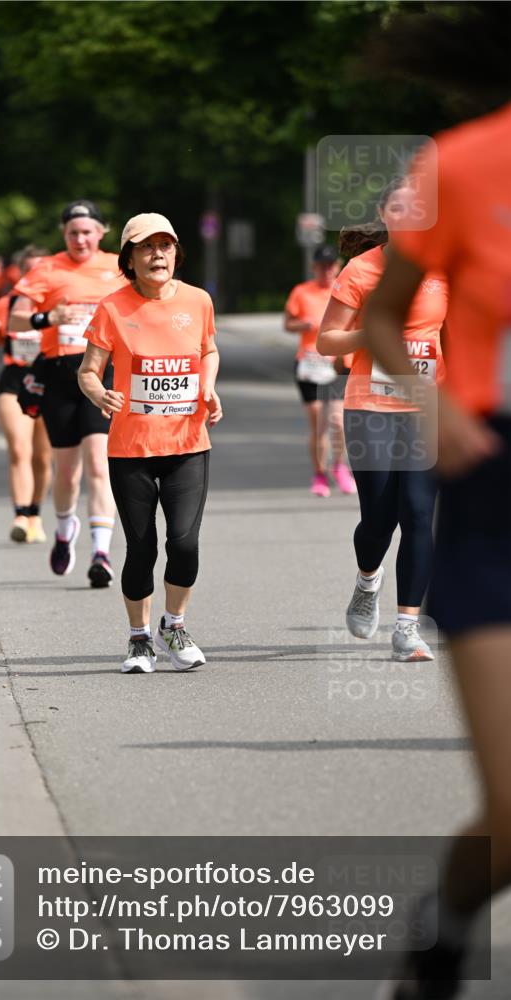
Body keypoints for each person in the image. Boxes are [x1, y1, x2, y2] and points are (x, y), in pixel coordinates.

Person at [363, 104, 511, 1000]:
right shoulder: (458, 166)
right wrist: (440, 408)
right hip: (497, 488)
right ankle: (444, 923)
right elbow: (384, 315)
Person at [79, 213, 222, 674]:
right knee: (141, 548)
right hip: (131, 448)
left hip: (187, 443)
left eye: (165, 245)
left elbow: (208, 350)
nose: (157, 254)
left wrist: (208, 387)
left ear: (177, 253)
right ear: (129, 257)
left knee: (184, 543)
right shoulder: (112, 307)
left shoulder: (198, 301)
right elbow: (86, 371)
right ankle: (138, 638)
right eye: (146, 247)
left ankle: (174, 624)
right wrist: (100, 392)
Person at [317, 179, 448, 661]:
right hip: (370, 407)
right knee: (379, 518)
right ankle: (367, 581)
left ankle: (407, 628)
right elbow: (327, 341)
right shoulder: (361, 269)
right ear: (385, 214)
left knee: (417, 513)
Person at [9, 200, 126, 586]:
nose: (80, 239)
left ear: (101, 232)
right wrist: (48, 317)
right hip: (60, 374)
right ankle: (64, 531)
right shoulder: (47, 269)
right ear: (64, 235)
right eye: (73, 233)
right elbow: (15, 317)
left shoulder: (117, 267)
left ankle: (101, 552)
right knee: (67, 473)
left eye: (87, 232)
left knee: (98, 464)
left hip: (103, 374)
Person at [284, 244, 356, 497]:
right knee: (318, 423)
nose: (326, 271)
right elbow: (288, 324)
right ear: (314, 267)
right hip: (310, 364)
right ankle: (319, 474)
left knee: (337, 420)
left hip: (337, 364)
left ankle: (339, 466)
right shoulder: (302, 292)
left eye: (331, 266)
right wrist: (304, 324)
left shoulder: (346, 288)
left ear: (337, 267)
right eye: (321, 266)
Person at [0, 245, 52, 543]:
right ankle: (20, 514)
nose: (34, 274)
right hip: (15, 379)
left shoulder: (60, 303)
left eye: (40, 268)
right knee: (20, 448)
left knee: (43, 457)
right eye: (28, 269)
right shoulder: (8, 303)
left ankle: (35, 515)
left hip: (49, 381)